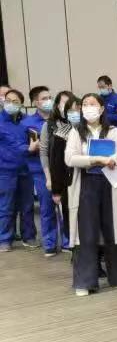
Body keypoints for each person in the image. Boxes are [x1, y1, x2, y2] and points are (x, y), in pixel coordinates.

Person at [64, 93, 117, 295]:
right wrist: (96, 159)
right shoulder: (76, 131)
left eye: (92, 104)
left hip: (110, 182)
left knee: (113, 229)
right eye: (84, 104)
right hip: (86, 184)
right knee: (86, 232)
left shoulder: (112, 130)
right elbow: (70, 158)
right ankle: (85, 282)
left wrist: (110, 159)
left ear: (101, 109)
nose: (88, 107)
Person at [21, 86, 60, 255]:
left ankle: (68, 243)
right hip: (39, 170)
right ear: (36, 102)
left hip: (61, 169)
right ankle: (50, 244)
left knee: (65, 207)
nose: (48, 101)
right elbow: (21, 148)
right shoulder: (26, 124)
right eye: (44, 98)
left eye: (50, 97)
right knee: (47, 208)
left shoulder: (59, 120)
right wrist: (31, 147)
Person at [40, 91, 77, 253]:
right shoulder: (49, 126)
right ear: (57, 105)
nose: (66, 106)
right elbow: (44, 153)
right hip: (57, 174)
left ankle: (70, 243)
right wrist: (50, 178)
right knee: (52, 210)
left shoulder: (78, 125)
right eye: (63, 103)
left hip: (75, 176)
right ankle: (50, 244)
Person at [0, 89, 31, 252]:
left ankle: (29, 236)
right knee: (6, 206)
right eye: (8, 101)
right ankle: (5, 239)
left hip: (26, 168)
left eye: (15, 101)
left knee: (27, 205)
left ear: (21, 104)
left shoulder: (26, 121)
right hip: (5, 170)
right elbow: (13, 144)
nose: (11, 104)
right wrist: (27, 148)